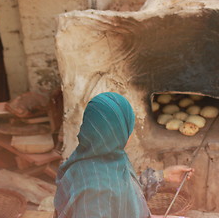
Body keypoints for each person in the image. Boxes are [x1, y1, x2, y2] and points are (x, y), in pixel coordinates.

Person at [54, 92, 194, 218]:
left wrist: (163, 176)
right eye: (129, 126)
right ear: (118, 133)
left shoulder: (103, 158)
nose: (131, 132)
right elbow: (110, 193)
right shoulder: (93, 191)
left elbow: (123, 194)